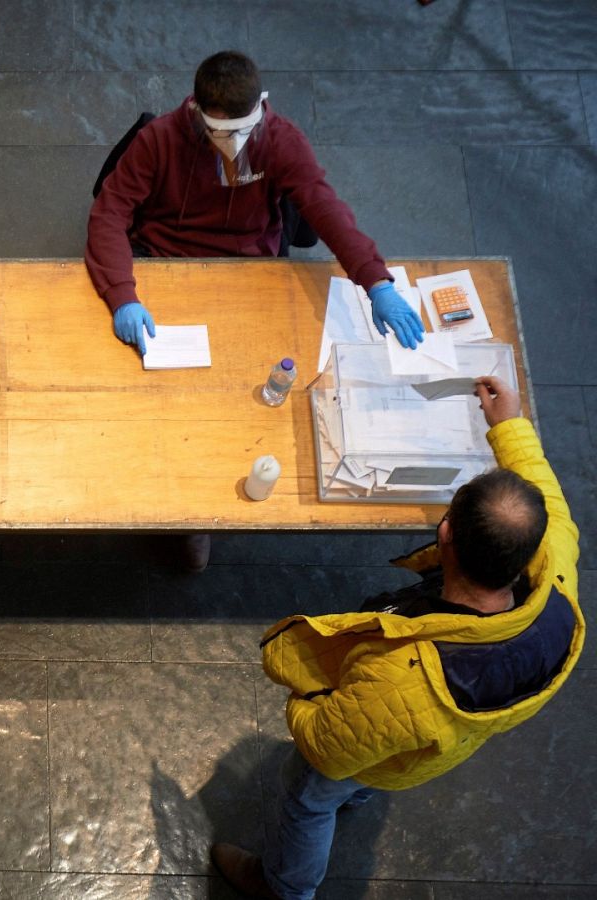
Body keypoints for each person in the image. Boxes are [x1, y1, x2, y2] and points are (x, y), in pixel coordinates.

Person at [211, 375, 583, 900]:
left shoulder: (405, 682)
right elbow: (543, 493)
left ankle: (283, 886)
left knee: (308, 796)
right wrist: (510, 425)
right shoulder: (555, 574)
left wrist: (307, 694)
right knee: (359, 776)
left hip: (385, 728)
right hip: (428, 742)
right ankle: (358, 796)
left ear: (446, 533)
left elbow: (324, 745)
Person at [86, 50, 425, 357]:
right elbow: (109, 214)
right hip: (166, 254)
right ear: (197, 111)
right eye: (220, 132)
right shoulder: (159, 139)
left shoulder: (281, 140)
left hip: (249, 261)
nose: (233, 144)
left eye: (244, 130)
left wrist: (376, 282)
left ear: (259, 107)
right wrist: (122, 296)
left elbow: (326, 210)